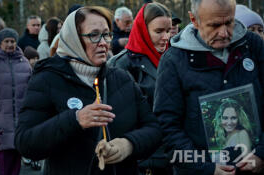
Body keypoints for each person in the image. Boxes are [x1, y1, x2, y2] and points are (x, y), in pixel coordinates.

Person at [14, 6, 162, 175]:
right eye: (93, 35)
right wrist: (75, 119)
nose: (103, 42)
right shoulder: (47, 79)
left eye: (106, 34)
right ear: (74, 39)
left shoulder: (121, 78)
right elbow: (25, 142)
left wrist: (128, 144)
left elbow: (154, 129)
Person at [154, 0, 264, 174]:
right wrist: (206, 168)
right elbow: (167, 126)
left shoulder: (252, 45)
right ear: (194, 20)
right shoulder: (174, 61)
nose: (224, 32)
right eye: (214, 25)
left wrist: (261, 155)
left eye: (229, 22)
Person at [108, 2, 172, 175]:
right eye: (159, 31)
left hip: (176, 154)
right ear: (143, 30)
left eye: (169, 30)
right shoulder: (120, 65)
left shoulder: (175, 57)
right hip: (143, 159)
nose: (166, 37)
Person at [0, 28, 32, 175]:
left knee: (16, 151)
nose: (10, 44)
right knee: (4, 153)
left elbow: (31, 87)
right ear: (0, 43)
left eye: (13, 41)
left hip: (20, 115)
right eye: (7, 41)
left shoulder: (24, 62)